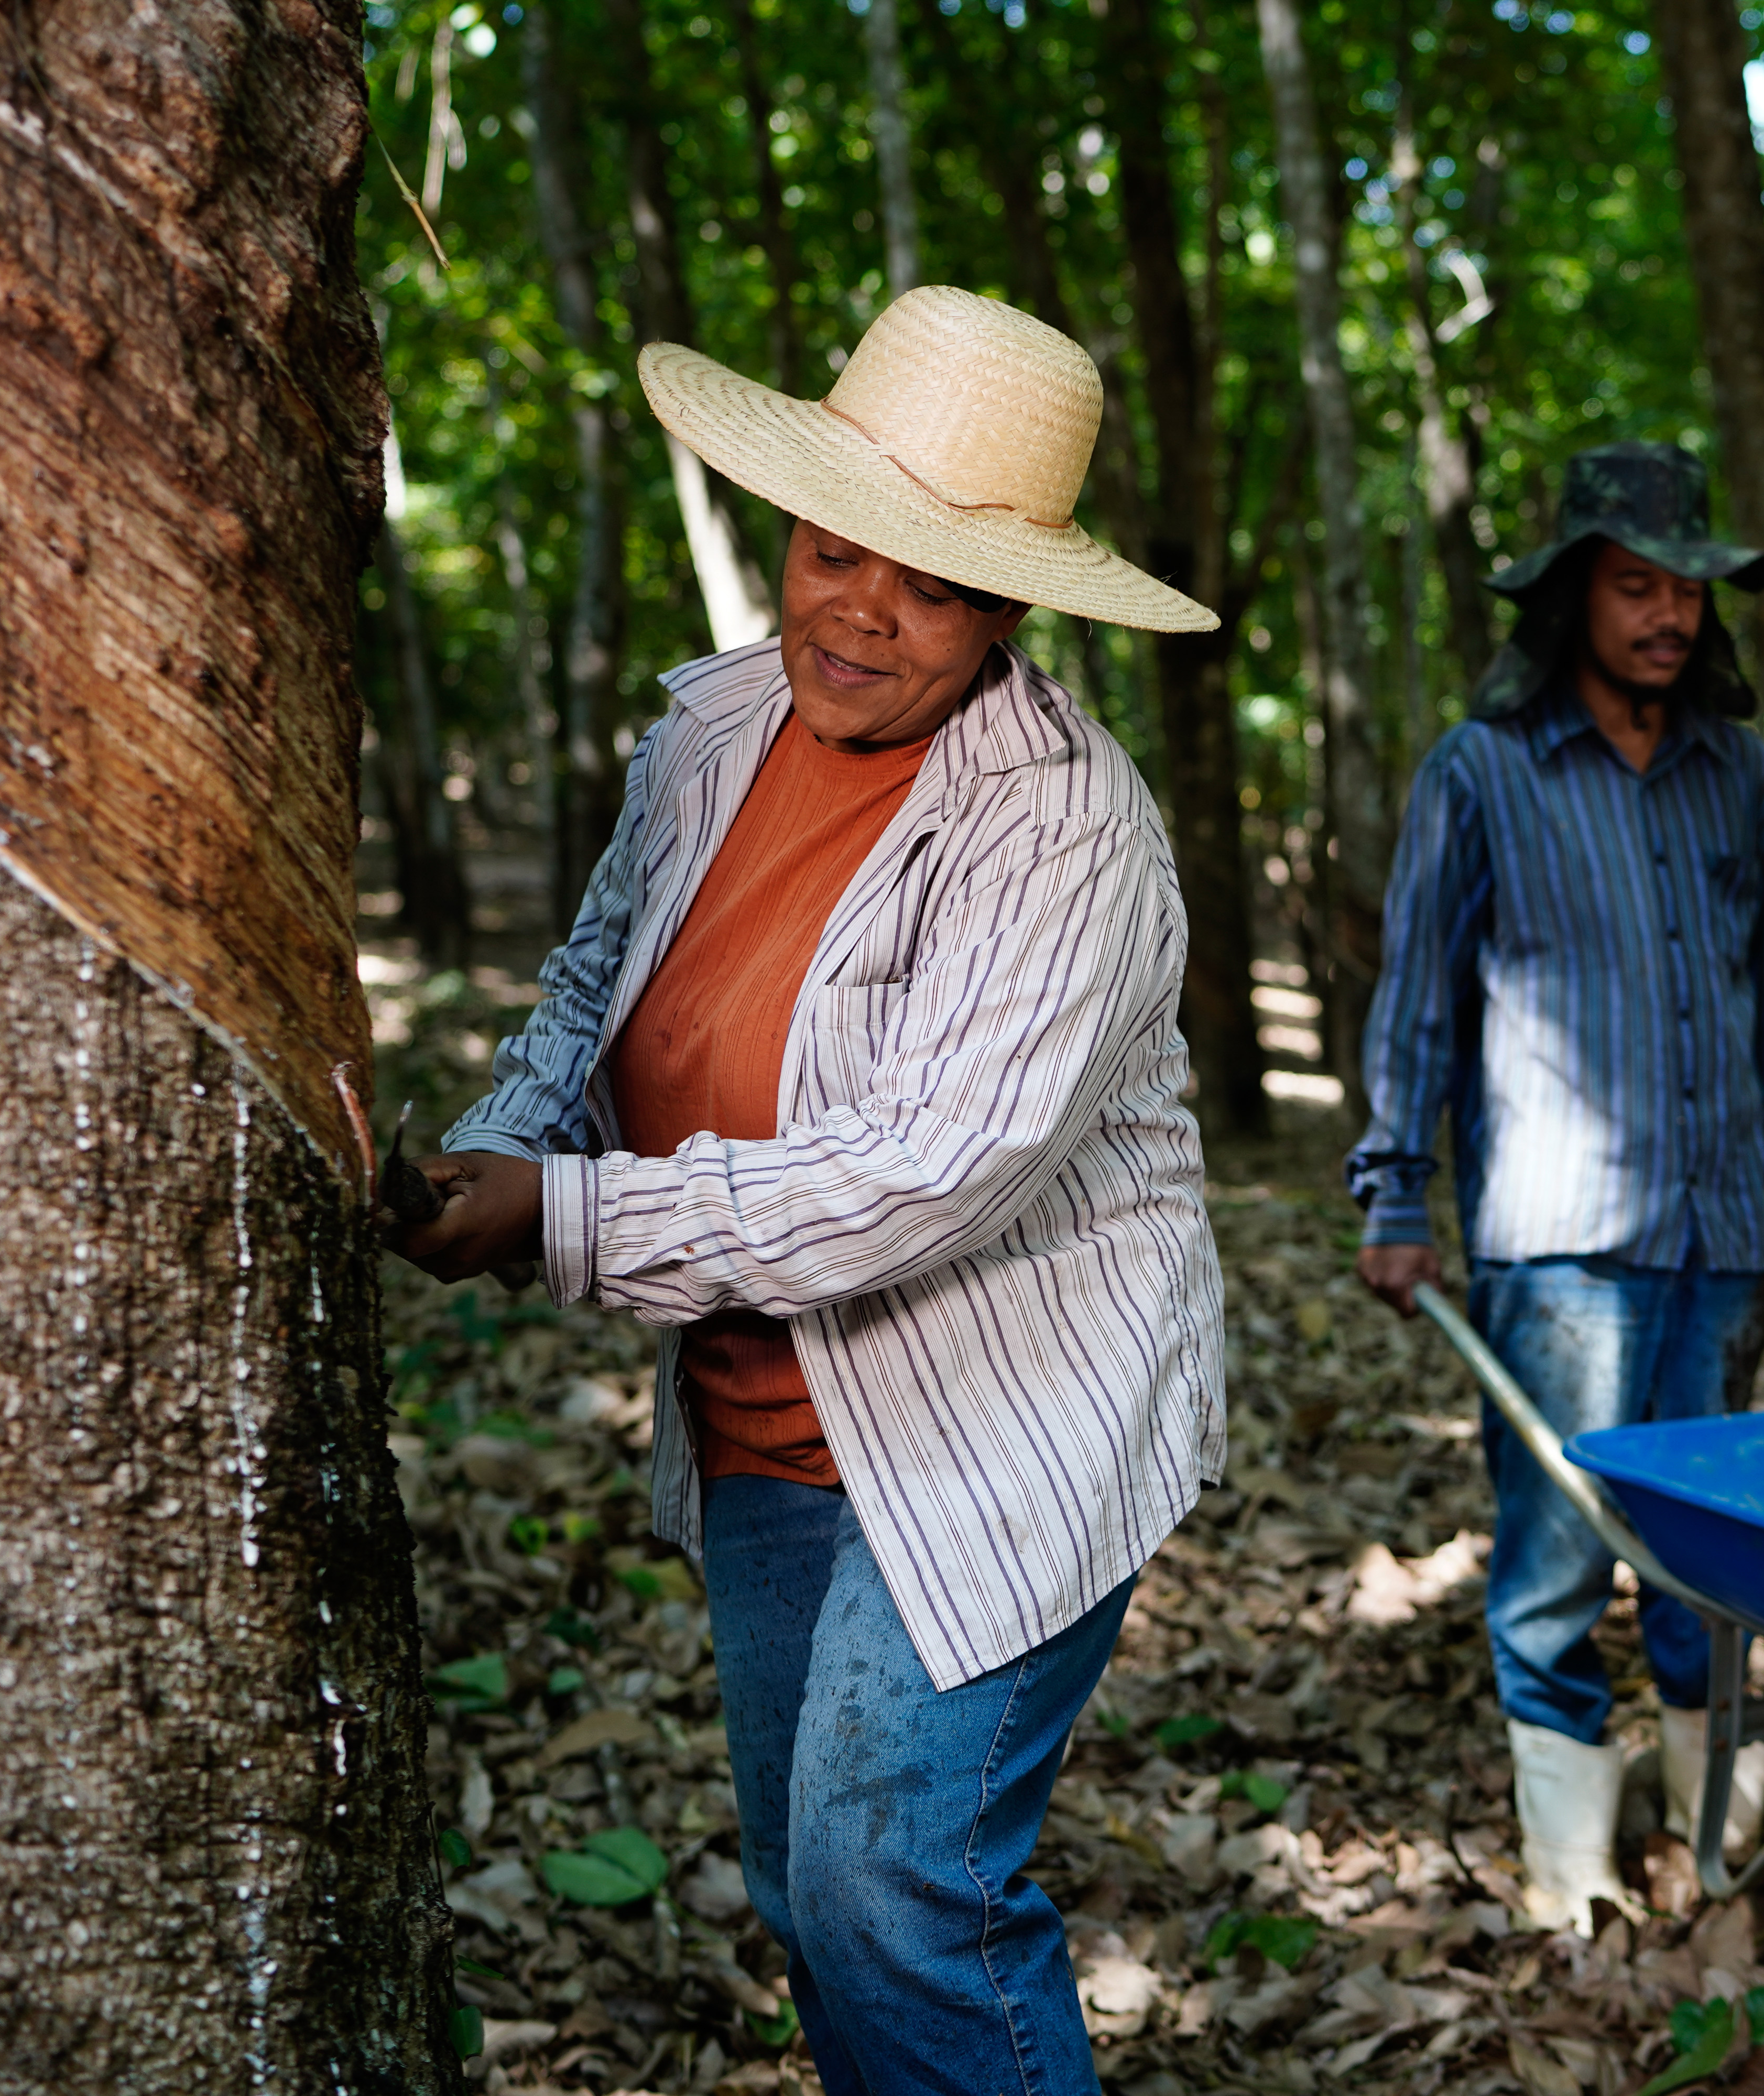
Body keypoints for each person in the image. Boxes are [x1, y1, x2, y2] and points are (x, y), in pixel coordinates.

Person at [382, 288, 1226, 2096]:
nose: (863, 613)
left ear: (1010, 612)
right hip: (767, 1414)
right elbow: (600, 979)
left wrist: (569, 1220)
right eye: (838, 553)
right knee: (805, 1881)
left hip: (1005, 1430)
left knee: (890, 1883)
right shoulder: (711, 727)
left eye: (929, 587)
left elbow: (929, 1175)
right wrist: (515, 1144)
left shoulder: (1064, 825)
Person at [1347, 442, 1764, 1933]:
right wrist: (1396, 1193)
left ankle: (1713, 1846)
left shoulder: (1738, 771)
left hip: (1716, 1231)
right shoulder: (1484, 771)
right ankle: (1571, 1879)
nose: (1667, 615)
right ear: (1572, 600)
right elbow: (1416, 996)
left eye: (1687, 590)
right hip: (1557, 1244)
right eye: (1634, 587)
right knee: (1553, 1558)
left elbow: (1760, 990)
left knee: (1706, 1557)